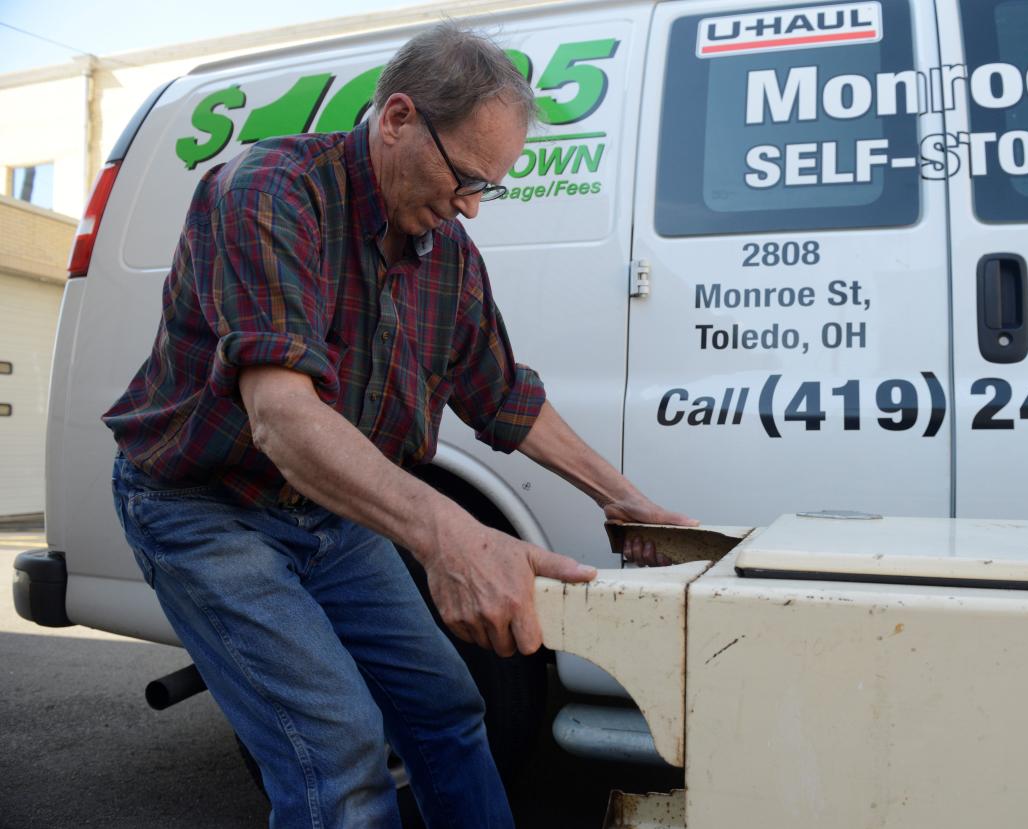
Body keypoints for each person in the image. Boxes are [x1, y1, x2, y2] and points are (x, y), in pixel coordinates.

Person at [103, 21, 693, 829]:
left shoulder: (446, 249)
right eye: (465, 179)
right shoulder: (271, 192)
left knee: (448, 709)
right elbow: (282, 418)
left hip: (329, 518)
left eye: (490, 187)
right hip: (208, 506)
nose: (472, 208)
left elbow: (502, 396)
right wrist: (449, 537)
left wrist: (623, 501)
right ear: (398, 118)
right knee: (340, 750)